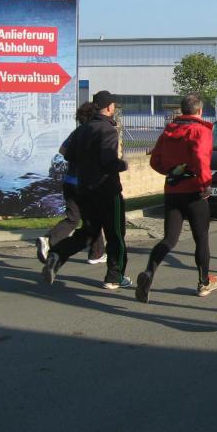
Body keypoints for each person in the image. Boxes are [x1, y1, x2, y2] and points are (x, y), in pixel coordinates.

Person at [135, 94, 217, 303]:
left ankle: (149, 272)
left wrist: (172, 172)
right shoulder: (201, 130)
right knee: (201, 238)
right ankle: (203, 282)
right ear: (200, 111)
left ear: (182, 110)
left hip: (173, 191)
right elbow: (201, 158)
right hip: (194, 192)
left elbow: (155, 161)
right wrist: (205, 184)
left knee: (169, 239)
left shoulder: (168, 131)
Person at [43, 90, 131, 290]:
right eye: (113, 105)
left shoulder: (83, 129)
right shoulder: (108, 130)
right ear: (109, 107)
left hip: (85, 190)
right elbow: (108, 161)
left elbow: (68, 154)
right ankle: (114, 276)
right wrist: (122, 165)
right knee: (116, 234)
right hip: (107, 190)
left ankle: (58, 253)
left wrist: (87, 163)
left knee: (89, 231)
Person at [35, 102, 106, 265]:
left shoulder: (77, 132)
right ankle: (96, 254)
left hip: (69, 181)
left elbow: (62, 150)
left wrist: (76, 158)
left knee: (74, 218)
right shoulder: (93, 132)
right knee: (94, 219)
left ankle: (48, 240)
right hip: (85, 183)